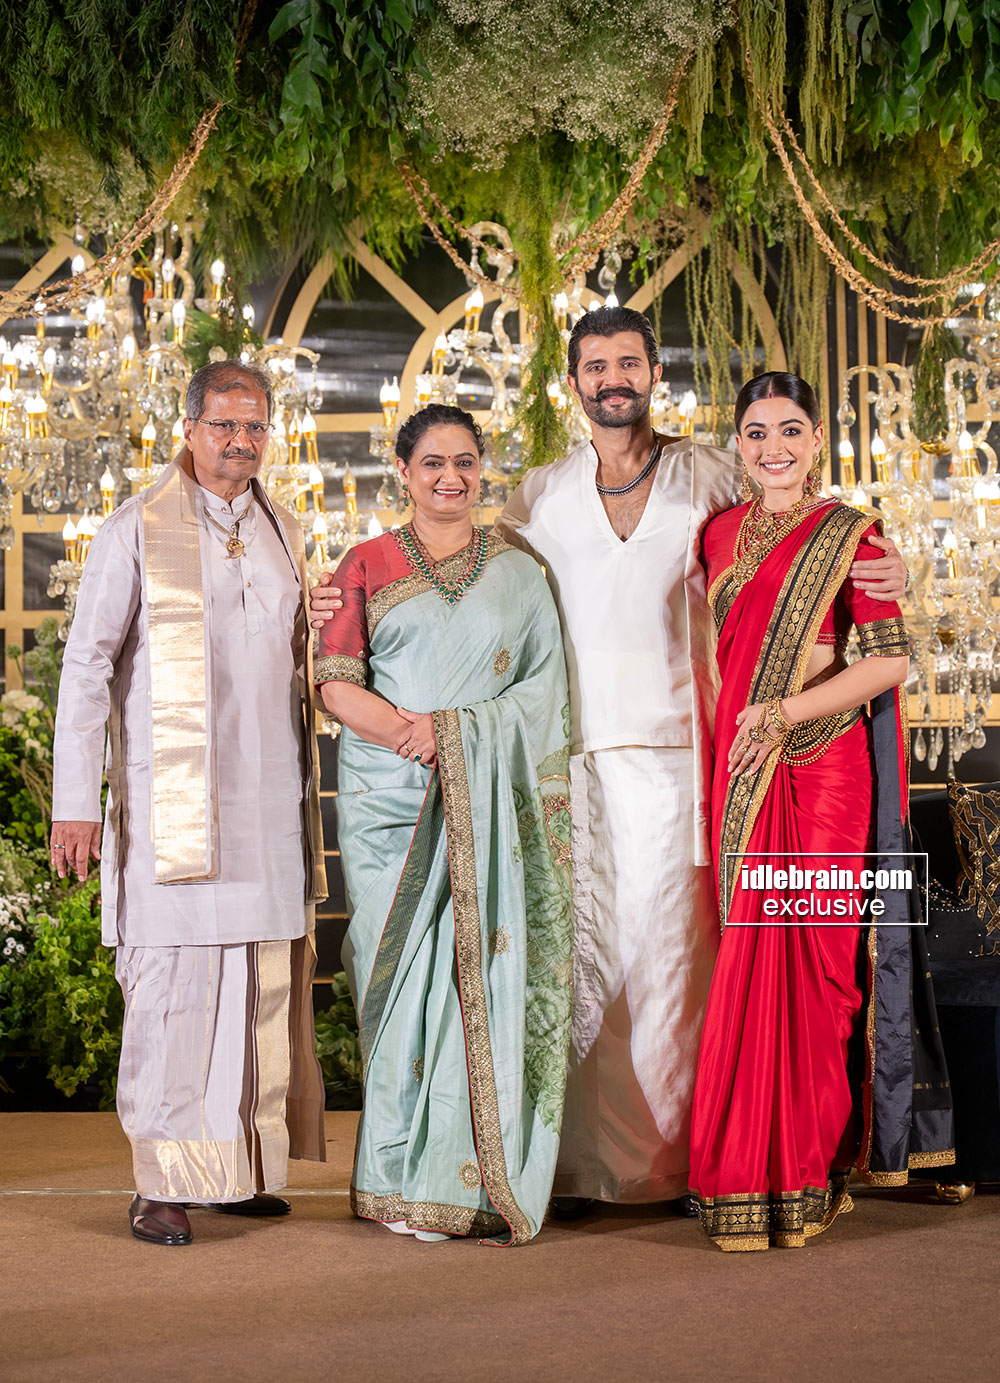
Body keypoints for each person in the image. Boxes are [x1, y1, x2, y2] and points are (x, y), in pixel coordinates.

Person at [310, 307, 906, 1211]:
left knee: (677, 967)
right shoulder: (540, 494)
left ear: (655, 374)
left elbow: (794, 535)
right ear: (573, 382)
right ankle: (576, 1166)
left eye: (629, 362)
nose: (613, 378)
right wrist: (340, 596)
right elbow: (465, 569)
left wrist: (891, 570)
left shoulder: (711, 475)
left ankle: (689, 1165)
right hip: (567, 761)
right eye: (596, 365)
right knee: (580, 961)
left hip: (688, 760)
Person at [50, 360, 327, 1247]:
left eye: (254, 425)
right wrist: (74, 802)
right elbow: (87, 666)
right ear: (190, 428)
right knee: (176, 992)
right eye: (223, 425)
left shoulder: (284, 528)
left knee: (257, 987)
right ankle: (162, 1183)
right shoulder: (136, 527)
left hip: (269, 802)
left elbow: (298, 659)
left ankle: (231, 1169)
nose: (240, 441)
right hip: (174, 809)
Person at [688, 372, 953, 1251]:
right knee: (748, 962)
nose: (775, 447)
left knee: (822, 971)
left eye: (792, 429)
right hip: (743, 770)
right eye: (758, 431)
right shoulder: (717, 533)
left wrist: (783, 713)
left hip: (823, 766)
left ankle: (811, 1167)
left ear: (817, 439)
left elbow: (887, 663)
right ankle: (745, 1175)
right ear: (739, 443)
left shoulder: (853, 533)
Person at [315, 403, 572, 1246]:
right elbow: (335, 682)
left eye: (464, 461)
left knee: (475, 975)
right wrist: (414, 734)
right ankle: (395, 1175)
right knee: (397, 983)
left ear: (481, 468)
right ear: (404, 471)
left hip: (484, 796)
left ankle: (458, 1179)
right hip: (390, 802)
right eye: (432, 462)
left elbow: (543, 691)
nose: (450, 477)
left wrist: (455, 735)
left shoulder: (521, 572)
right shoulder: (366, 562)